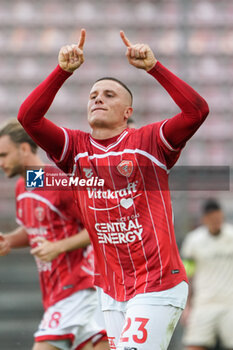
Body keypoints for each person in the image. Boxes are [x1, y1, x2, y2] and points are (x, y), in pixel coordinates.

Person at [17, 28, 209, 350]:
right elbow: (29, 118)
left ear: (127, 112)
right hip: (110, 290)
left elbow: (197, 111)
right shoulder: (75, 149)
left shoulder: (149, 142)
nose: (98, 99)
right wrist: (62, 72)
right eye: (92, 95)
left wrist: (153, 67)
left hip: (157, 284)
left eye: (108, 95)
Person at [0, 119, 109, 350]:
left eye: (4, 155)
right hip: (57, 291)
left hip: (77, 287)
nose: (1, 162)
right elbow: (36, 228)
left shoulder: (58, 182)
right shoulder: (26, 184)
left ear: (25, 148)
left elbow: (99, 226)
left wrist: (58, 247)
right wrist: (8, 240)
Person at [181, 199, 233, 350]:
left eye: (218, 218)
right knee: (194, 345)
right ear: (204, 219)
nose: (216, 222)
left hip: (230, 303)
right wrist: (187, 306)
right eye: (211, 219)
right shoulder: (193, 241)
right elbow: (188, 275)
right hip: (203, 303)